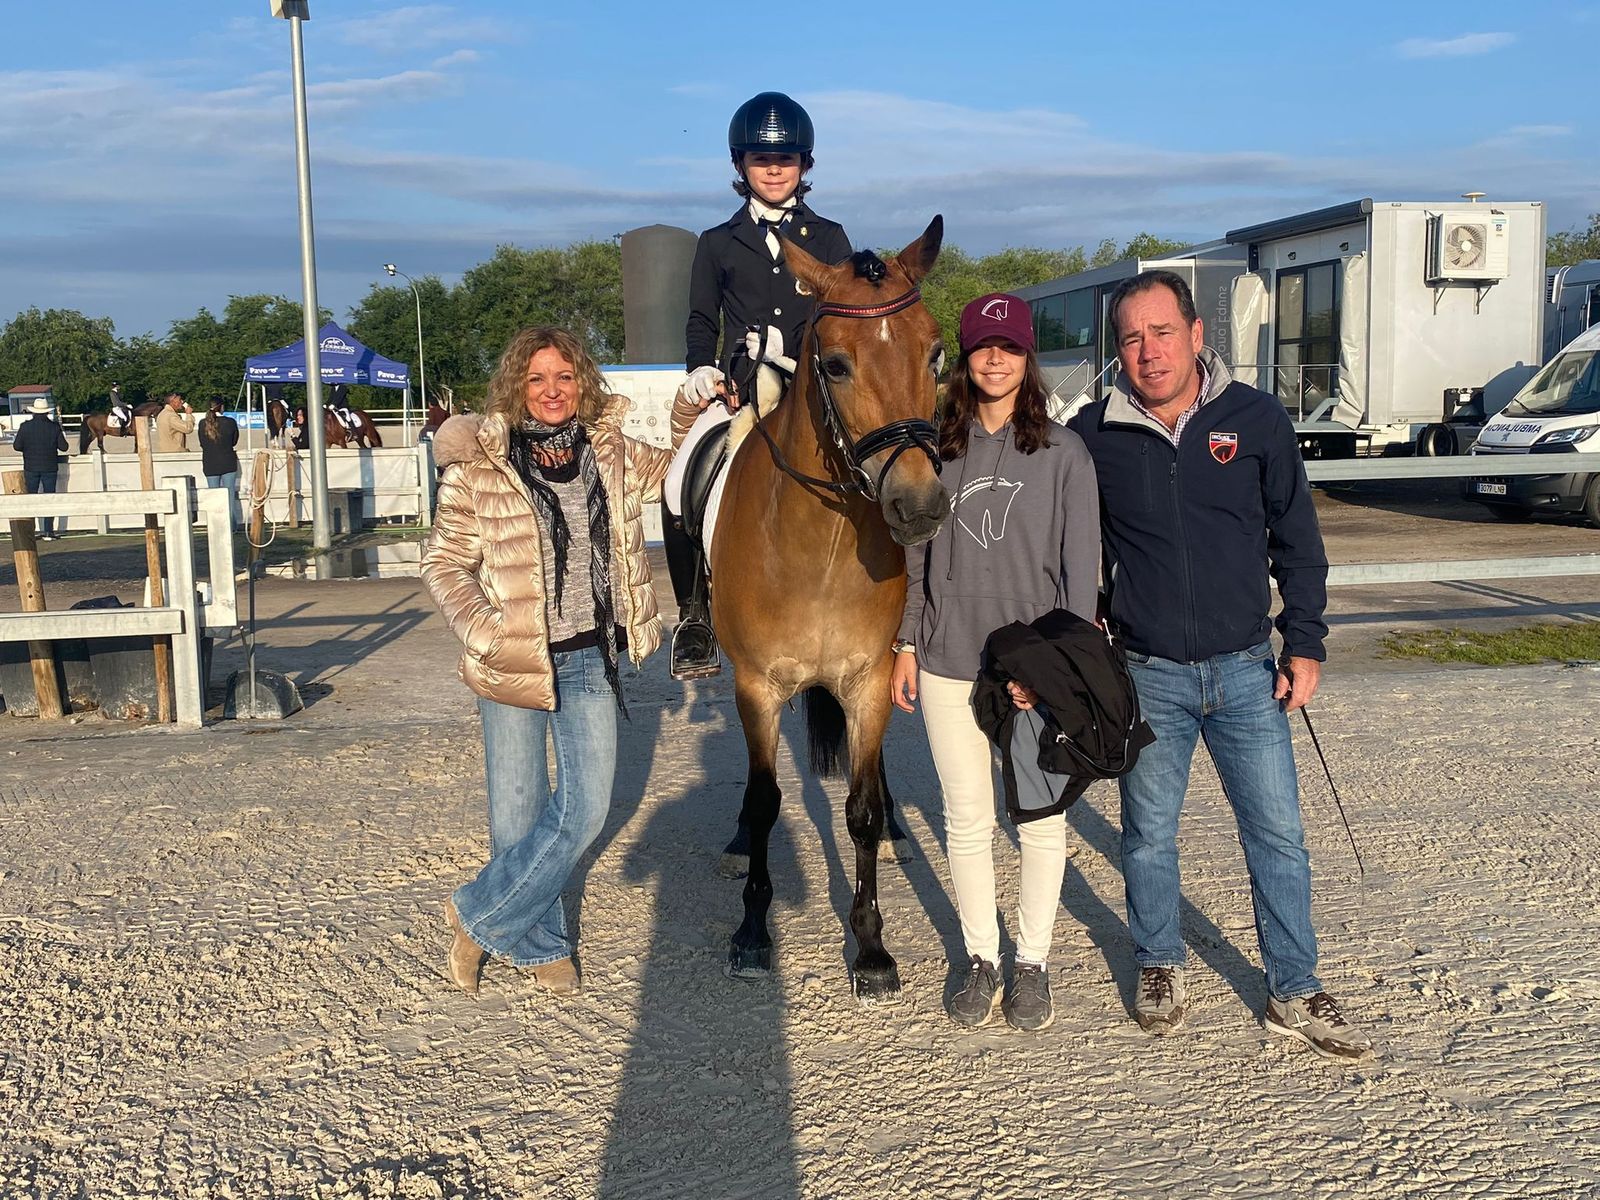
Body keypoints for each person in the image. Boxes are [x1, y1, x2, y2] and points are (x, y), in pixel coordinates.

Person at [1068, 270, 1373, 1062]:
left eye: (1162, 332)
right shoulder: (1093, 433)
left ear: (1197, 334)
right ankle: (1159, 963)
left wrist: (1304, 641)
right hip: (1150, 674)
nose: (1148, 351)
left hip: (1246, 669)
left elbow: (1297, 542)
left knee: (1277, 834)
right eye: (1131, 338)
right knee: (1147, 836)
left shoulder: (1255, 418)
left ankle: (1292, 985)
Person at [421, 326, 694, 997]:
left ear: (583, 384)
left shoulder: (613, 451)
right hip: (514, 662)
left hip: (590, 657)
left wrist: (693, 408)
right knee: (516, 818)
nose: (551, 391)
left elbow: (688, 467)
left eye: (564, 377)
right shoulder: (481, 466)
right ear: (518, 386)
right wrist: (486, 632)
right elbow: (444, 564)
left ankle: (474, 915)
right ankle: (541, 943)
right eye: (538, 379)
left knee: (584, 810)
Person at [891, 294, 1101, 1032]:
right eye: (983, 346)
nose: (995, 359)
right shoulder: (938, 451)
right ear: (965, 357)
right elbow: (916, 558)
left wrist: (1059, 670)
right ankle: (980, 956)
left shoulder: (1065, 453)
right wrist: (907, 645)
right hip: (950, 659)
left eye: (1009, 347)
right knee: (969, 818)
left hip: (1033, 671)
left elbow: (1082, 573)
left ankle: (1033, 961)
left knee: (1042, 818)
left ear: (1027, 358)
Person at [663, 90, 853, 681]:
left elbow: (845, 318)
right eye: (761, 159)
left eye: (787, 159)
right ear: (740, 166)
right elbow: (702, 318)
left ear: (805, 165)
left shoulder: (830, 237)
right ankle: (695, 615)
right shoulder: (717, 242)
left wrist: (798, 357)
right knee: (678, 482)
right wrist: (702, 367)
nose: (774, 169)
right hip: (740, 391)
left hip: (808, 390)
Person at [12, 397, 68, 540]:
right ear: (46, 412)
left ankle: (30, 530)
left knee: (31, 499)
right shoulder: (54, 427)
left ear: (33, 412)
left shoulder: (25, 427)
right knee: (49, 498)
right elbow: (64, 447)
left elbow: (17, 446)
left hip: (30, 467)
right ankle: (48, 531)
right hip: (49, 467)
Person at [198, 396, 241, 528]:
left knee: (213, 496)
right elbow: (234, 441)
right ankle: (232, 526)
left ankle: (215, 525)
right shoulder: (230, 422)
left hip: (210, 462)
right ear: (221, 407)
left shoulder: (202, 423)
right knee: (229, 496)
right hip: (228, 461)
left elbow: (202, 443)